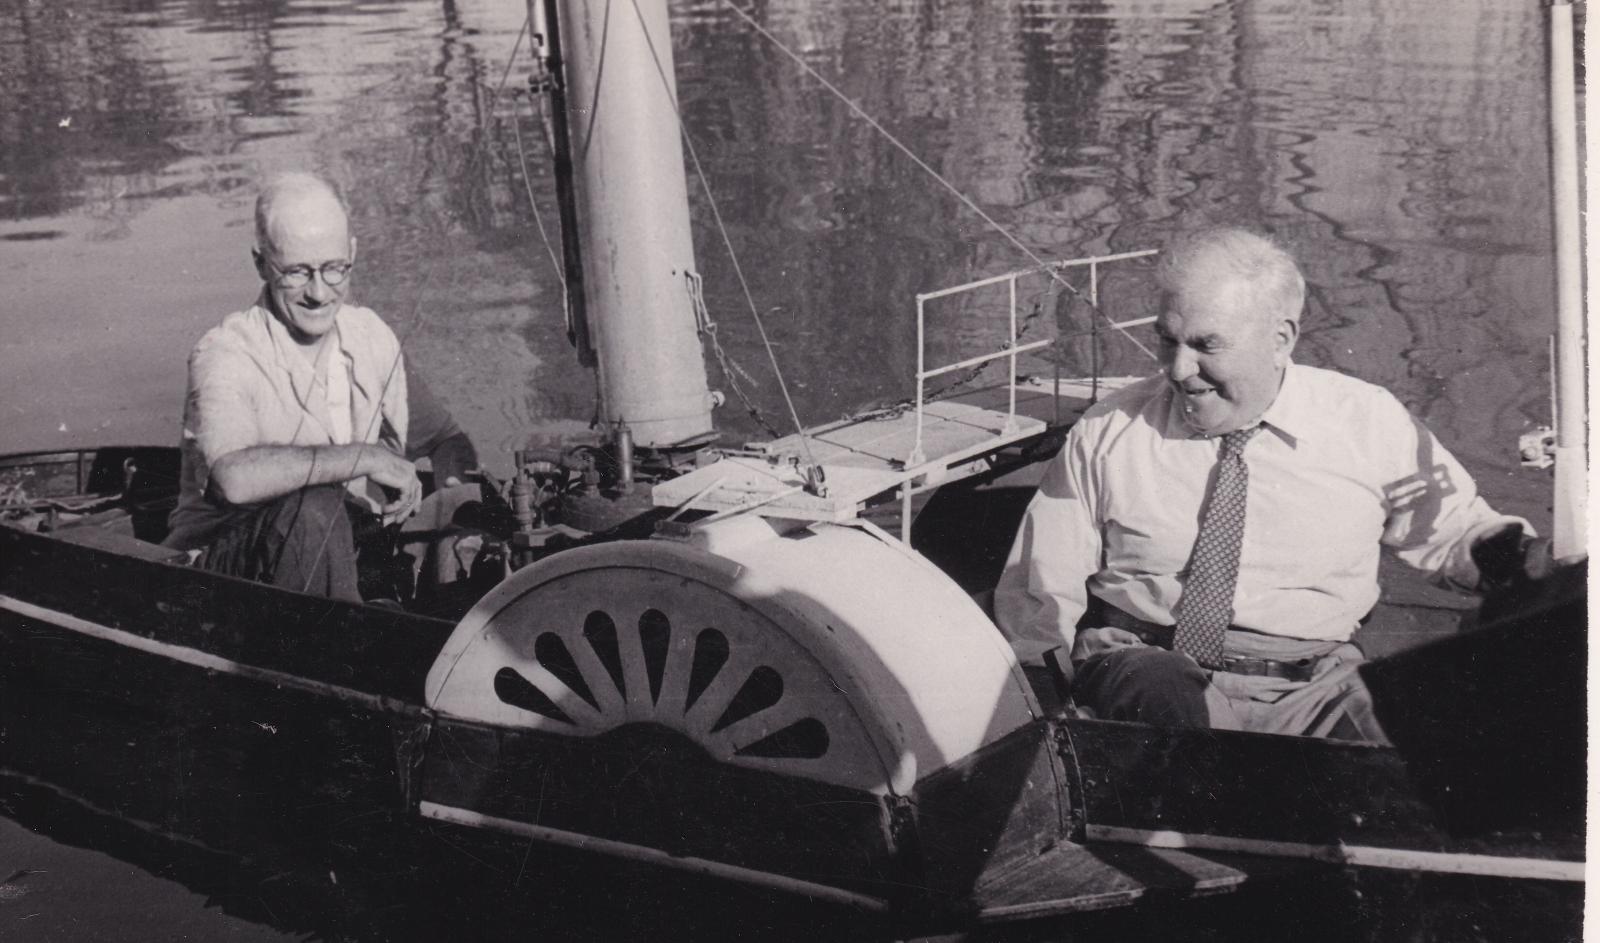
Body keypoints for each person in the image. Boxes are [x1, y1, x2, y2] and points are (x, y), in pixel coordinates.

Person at [994, 227, 1541, 741]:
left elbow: (1453, 534)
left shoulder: (1367, 423)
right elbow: (1039, 586)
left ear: (1281, 339)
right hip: (1147, 665)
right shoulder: (1112, 429)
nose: (1179, 369)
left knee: (1409, 742)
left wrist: (1523, 561)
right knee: (1172, 711)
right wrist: (1043, 695)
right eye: (1167, 340)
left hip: (1316, 685)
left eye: (1206, 345)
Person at [163, 172, 478, 603]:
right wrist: (363, 458)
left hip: (346, 554)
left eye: (334, 269)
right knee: (312, 513)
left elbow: (446, 439)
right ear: (260, 263)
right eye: (296, 272)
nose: (319, 293)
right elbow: (232, 480)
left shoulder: (371, 336)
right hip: (225, 583)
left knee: (467, 507)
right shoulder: (224, 353)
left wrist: (453, 500)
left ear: (351, 252)